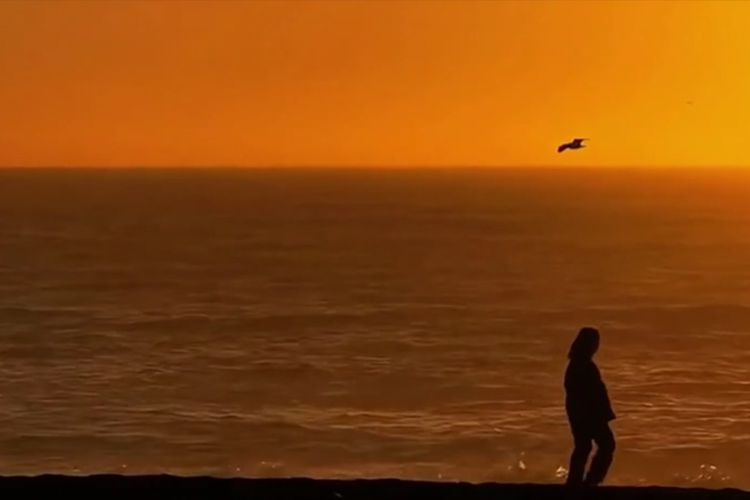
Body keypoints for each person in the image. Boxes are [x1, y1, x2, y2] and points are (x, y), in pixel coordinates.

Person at [564, 327, 616, 486]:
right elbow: (588, 393)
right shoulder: (582, 365)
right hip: (589, 414)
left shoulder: (580, 364)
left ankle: (578, 481)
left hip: (582, 413)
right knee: (605, 444)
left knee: (584, 446)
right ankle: (590, 480)